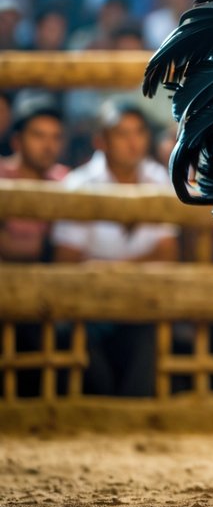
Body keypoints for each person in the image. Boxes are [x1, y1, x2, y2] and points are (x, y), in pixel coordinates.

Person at [52, 99, 179, 397]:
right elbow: (66, 261)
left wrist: (105, 267)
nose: (132, 142)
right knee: (92, 365)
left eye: (139, 132)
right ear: (101, 140)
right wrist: (136, 266)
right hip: (86, 304)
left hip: (142, 301)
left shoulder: (158, 179)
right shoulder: (79, 185)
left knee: (147, 337)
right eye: (122, 133)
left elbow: (168, 254)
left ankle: (137, 418)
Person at [0, 99, 68, 263]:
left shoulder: (65, 180)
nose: (48, 146)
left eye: (56, 137)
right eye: (38, 135)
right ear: (17, 141)